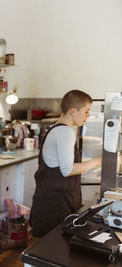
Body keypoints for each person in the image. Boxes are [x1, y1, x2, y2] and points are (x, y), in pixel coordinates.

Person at [29, 89, 102, 237]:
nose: (88, 116)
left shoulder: (58, 129)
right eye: (87, 111)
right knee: (52, 248)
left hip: (51, 200)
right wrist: (99, 161)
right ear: (73, 111)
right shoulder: (65, 132)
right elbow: (68, 170)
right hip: (54, 205)